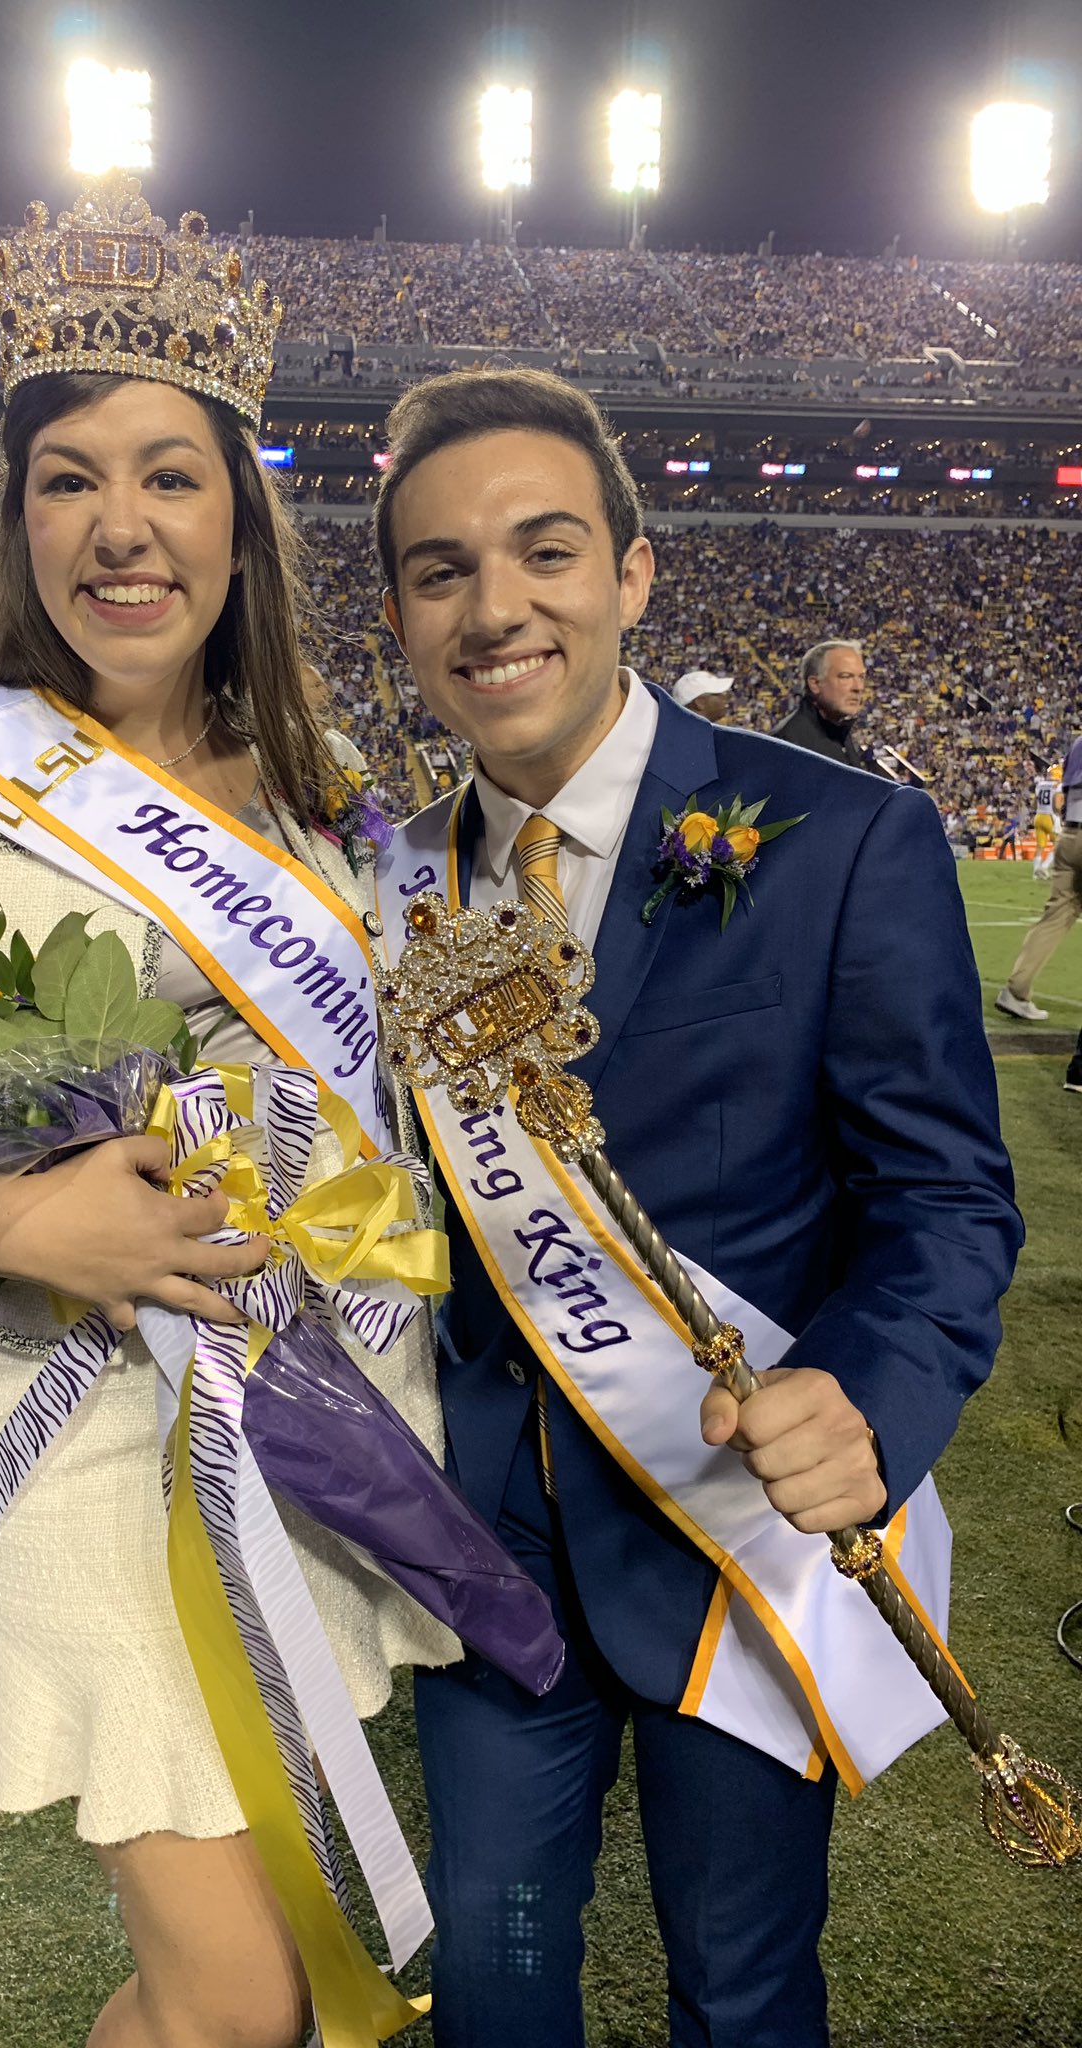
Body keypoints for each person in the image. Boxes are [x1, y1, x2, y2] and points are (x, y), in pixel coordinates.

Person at [0, 175, 456, 2048]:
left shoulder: (321, 806)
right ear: (16, 518)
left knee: (261, 1971)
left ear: (240, 516)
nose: (120, 524)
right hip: (81, 1419)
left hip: (322, 1409)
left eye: (171, 473)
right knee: (240, 1991)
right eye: (67, 476)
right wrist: (12, 1220)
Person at [370, 367, 1021, 2048]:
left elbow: (945, 1197)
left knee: (740, 1994)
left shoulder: (832, 835)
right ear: (400, 610)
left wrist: (868, 1397)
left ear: (634, 574)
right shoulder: (370, 885)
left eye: (545, 550)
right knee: (492, 1989)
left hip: (737, 1535)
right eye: (441, 568)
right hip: (483, 1554)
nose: (494, 604)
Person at [996, 730, 1082, 1022]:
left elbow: (1064, 795)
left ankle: (1016, 991)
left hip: (1070, 836)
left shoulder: (1078, 743)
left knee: (1056, 916)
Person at [772, 638, 890, 775]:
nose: (859, 687)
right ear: (815, 684)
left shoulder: (839, 732)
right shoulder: (787, 744)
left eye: (861, 677)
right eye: (846, 677)